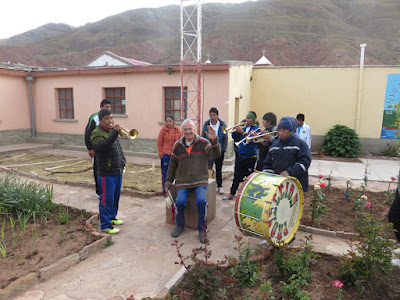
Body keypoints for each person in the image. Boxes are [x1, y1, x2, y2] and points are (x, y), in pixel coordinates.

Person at [165, 119, 221, 243]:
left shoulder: (203, 143)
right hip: (182, 182)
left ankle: (202, 229)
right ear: (182, 131)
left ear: (194, 129)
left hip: (200, 181)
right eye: (185, 129)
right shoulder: (177, 145)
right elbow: (172, 165)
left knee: (201, 201)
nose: (188, 131)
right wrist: (168, 182)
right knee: (179, 202)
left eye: (190, 129)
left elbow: (215, 155)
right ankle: (180, 226)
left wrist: (214, 141)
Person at [90, 109, 126, 234]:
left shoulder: (111, 132)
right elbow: (102, 147)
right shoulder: (96, 133)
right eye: (107, 119)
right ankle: (105, 224)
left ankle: (112, 217)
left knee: (115, 197)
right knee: (106, 199)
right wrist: (114, 133)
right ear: (100, 121)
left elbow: (118, 149)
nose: (110, 121)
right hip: (106, 172)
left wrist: (123, 161)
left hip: (117, 170)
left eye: (111, 118)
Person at [263, 116, 312, 192]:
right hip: (278, 186)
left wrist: (289, 172)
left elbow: (305, 162)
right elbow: (268, 163)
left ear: (291, 131)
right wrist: (268, 176)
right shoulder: (274, 147)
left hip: (296, 186)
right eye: (279, 130)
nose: (281, 133)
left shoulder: (300, 144)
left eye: (284, 130)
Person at [224, 111, 260, 200]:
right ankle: (232, 192)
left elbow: (253, 140)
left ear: (253, 120)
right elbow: (234, 136)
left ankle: (248, 195)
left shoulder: (257, 129)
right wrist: (236, 130)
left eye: (249, 118)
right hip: (241, 155)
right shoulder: (244, 127)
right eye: (246, 117)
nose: (247, 119)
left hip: (251, 157)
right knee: (237, 175)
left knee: (248, 178)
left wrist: (243, 132)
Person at [84, 99, 112, 197]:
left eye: (109, 107)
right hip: (97, 149)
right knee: (97, 170)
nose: (108, 109)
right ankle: (98, 192)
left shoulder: (110, 118)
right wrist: (90, 148)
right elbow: (87, 133)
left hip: (106, 150)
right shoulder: (95, 117)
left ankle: (105, 191)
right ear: (101, 108)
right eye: (106, 107)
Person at [201, 107, 227, 194]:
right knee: (208, 168)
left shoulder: (222, 125)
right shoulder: (206, 124)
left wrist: (223, 149)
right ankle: (208, 186)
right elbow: (202, 136)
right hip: (208, 150)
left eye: (214, 115)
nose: (212, 117)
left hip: (219, 150)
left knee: (218, 169)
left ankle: (220, 186)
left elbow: (225, 137)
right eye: (210, 115)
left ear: (217, 115)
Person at [157, 114, 181, 196]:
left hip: (175, 155)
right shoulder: (163, 130)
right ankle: (166, 191)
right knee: (165, 174)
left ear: (173, 121)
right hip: (166, 156)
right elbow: (159, 143)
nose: (168, 123)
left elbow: (180, 142)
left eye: (170, 121)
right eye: (167, 121)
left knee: (176, 173)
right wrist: (161, 155)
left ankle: (175, 190)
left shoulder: (178, 130)